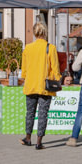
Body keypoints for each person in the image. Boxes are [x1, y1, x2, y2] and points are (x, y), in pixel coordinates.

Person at [18, 21, 61, 150]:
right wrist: (58, 80)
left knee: (30, 112)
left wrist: (25, 78)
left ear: (34, 32)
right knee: (43, 113)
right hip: (45, 86)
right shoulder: (50, 47)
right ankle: (39, 142)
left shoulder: (28, 48)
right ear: (45, 32)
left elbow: (24, 69)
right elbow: (55, 67)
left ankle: (27, 138)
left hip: (31, 85)